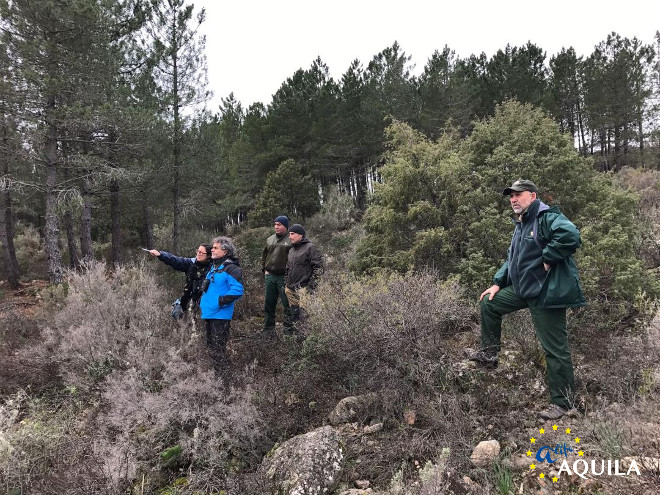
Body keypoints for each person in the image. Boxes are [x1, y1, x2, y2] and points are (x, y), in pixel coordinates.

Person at [466, 179, 586, 421]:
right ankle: (489, 354)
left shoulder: (545, 217)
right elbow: (513, 259)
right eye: (511, 195)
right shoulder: (522, 224)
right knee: (489, 303)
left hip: (546, 293)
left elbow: (571, 235)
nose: (513, 199)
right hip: (524, 289)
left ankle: (563, 403)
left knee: (555, 349)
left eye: (518, 195)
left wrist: (548, 257)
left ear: (532, 196)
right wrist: (498, 282)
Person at [199, 236, 244, 373]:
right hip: (209, 314)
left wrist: (219, 302)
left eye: (215, 248)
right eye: (212, 247)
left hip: (220, 316)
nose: (211, 250)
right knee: (212, 348)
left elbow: (237, 291)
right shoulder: (214, 267)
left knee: (218, 350)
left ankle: (224, 381)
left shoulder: (231, 269)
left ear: (225, 251)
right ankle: (218, 378)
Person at [148, 244, 212, 317]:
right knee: (184, 322)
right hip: (188, 302)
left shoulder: (213, 268)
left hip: (205, 306)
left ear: (208, 255)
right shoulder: (191, 263)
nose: (198, 254)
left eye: (201, 253)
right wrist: (160, 254)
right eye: (198, 251)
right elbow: (175, 260)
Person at [284, 224, 323, 334]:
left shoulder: (310, 248)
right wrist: (286, 283)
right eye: (289, 234)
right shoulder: (291, 250)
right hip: (290, 289)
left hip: (304, 289)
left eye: (292, 234)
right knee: (294, 315)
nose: (290, 237)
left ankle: (306, 341)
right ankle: (295, 340)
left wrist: (311, 286)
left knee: (305, 316)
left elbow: (319, 268)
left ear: (300, 235)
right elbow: (287, 268)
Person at [262, 215, 292, 335]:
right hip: (270, 276)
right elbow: (264, 255)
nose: (276, 227)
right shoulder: (270, 239)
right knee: (269, 304)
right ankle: (268, 331)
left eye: (279, 225)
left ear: (285, 226)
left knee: (287, 305)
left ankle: (288, 331)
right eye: (275, 224)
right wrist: (264, 269)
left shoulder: (291, 239)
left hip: (284, 277)